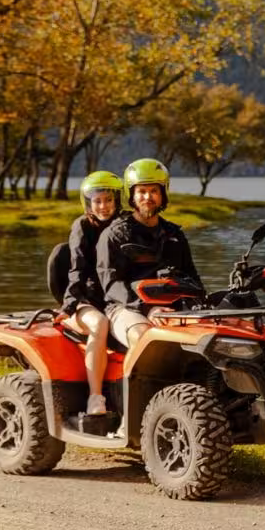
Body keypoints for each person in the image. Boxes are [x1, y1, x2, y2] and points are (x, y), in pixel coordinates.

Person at [94, 159, 200, 377]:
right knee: (146, 337)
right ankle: (134, 406)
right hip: (126, 308)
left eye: (154, 191)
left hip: (173, 306)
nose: (147, 197)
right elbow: (112, 285)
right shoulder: (115, 235)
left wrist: (203, 305)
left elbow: (191, 276)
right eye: (141, 191)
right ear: (131, 196)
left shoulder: (174, 235)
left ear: (163, 195)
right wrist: (147, 308)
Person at [66, 170, 124, 420]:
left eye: (108, 200)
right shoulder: (82, 226)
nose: (103, 206)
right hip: (85, 299)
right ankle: (95, 397)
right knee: (100, 324)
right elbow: (76, 268)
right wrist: (71, 304)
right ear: (88, 203)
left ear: (117, 200)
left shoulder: (124, 224)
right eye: (97, 201)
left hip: (117, 297)